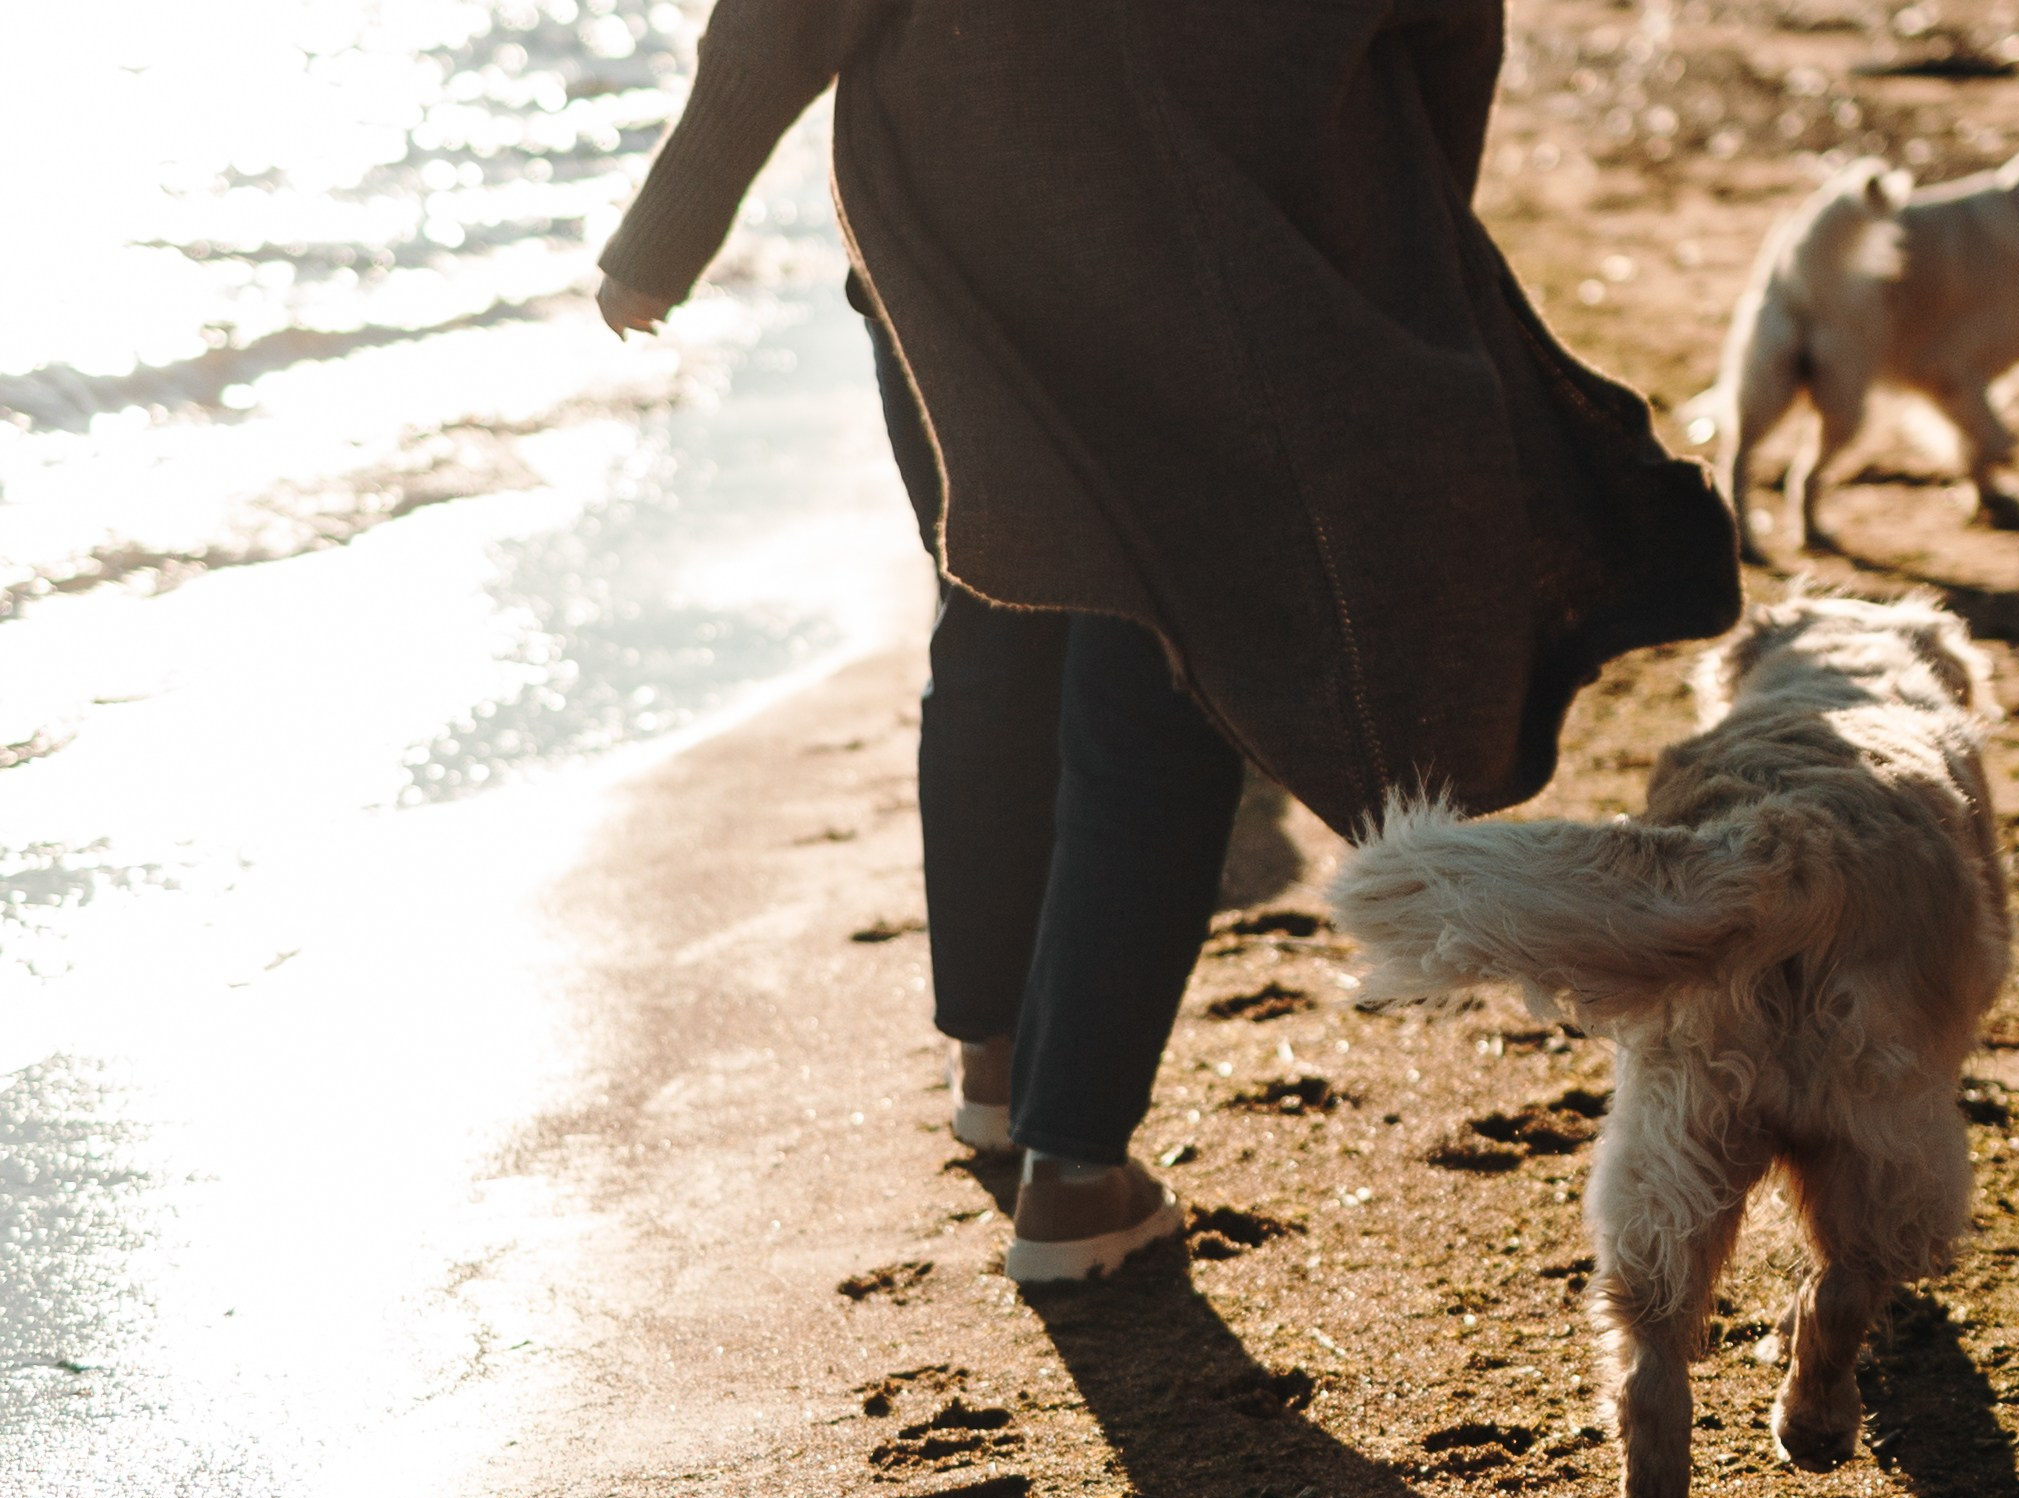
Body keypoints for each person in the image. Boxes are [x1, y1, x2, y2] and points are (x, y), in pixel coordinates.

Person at [599, 0, 1738, 1285]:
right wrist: (1391, 231)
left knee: (995, 622)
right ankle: (1073, 1171)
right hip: (1220, 243)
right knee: (1177, 665)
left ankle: (997, 1059)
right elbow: (1448, 36)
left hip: (961, 235)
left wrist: (662, 237)